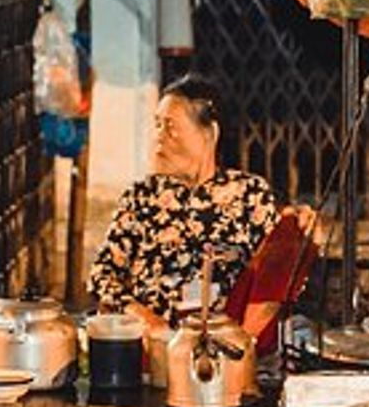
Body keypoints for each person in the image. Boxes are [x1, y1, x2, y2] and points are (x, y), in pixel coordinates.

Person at [90, 74, 307, 346]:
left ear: (210, 133)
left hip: (224, 353)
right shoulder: (141, 197)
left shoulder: (249, 195)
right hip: (152, 349)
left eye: (170, 126)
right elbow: (102, 275)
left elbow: (275, 275)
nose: (159, 136)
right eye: (157, 125)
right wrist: (144, 319)